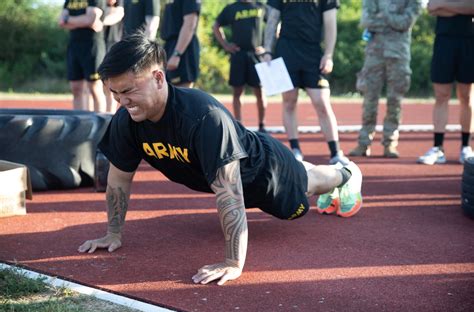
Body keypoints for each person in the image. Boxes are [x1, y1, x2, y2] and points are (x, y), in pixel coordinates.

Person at [77, 32, 364, 286]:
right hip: (238, 162)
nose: (120, 101)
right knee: (304, 172)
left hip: (264, 172)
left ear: (158, 78)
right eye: (114, 92)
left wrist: (233, 262)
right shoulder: (127, 120)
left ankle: (347, 173)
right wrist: (112, 233)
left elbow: (229, 192)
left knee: (308, 186)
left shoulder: (203, 117)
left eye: (127, 90)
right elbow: (118, 180)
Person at [261, 0, 348, 164]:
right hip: (286, 51)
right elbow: (272, 20)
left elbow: (330, 24)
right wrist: (268, 50)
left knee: (321, 102)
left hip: (313, 53)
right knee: (289, 102)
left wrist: (328, 55)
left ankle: (336, 152)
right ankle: (295, 150)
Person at [349, 0, 421, 158]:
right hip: (374, 54)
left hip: (398, 55)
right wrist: (393, 18)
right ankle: (363, 143)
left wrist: (382, 16)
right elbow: (366, 21)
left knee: (395, 101)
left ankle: (390, 143)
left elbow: (405, 22)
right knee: (369, 99)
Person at [417, 0, 474, 164]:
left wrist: (445, 6)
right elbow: (432, 7)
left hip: (469, 41)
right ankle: (438, 148)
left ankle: (465, 147)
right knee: (441, 95)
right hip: (443, 41)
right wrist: (461, 9)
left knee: (467, 96)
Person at [213, 0, 268, 133]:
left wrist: (267, 46)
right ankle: (239, 125)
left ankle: (262, 125)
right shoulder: (231, 8)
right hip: (238, 55)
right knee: (237, 92)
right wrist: (226, 45)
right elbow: (216, 26)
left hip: (256, 55)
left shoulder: (261, 6)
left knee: (260, 91)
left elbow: (275, 24)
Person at [59, 0, 107, 113]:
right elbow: (61, 21)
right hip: (74, 46)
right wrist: (83, 20)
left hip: (92, 46)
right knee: (76, 89)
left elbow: (91, 19)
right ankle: (81, 123)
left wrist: (68, 20)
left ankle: (100, 125)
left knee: (94, 88)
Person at [160, 0, 201, 88]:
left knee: (182, 93)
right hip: (169, 44)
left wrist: (177, 54)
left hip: (182, 46)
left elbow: (190, 24)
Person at [103, 0, 124, 113]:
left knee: (112, 84)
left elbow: (117, 15)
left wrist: (97, 19)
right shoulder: (99, 4)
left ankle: (111, 115)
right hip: (100, 44)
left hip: (114, 45)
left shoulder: (121, 3)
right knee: (102, 85)